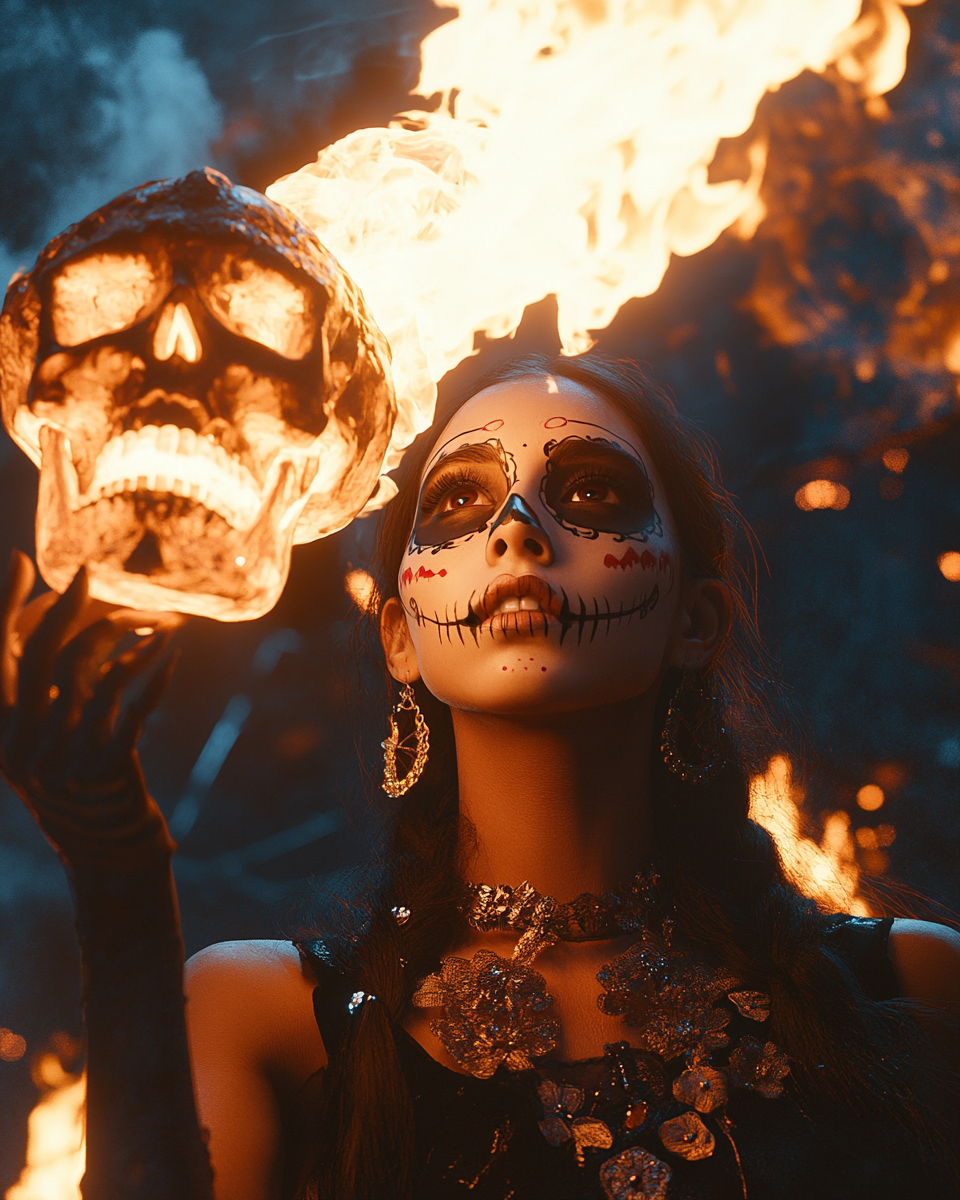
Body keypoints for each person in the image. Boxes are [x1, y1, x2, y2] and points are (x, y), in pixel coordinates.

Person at [1, 354, 957, 1200]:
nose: (515, 527)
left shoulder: (912, 990)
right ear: (399, 635)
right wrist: (117, 869)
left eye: (587, 491)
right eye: (457, 500)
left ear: (696, 620)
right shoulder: (264, 1019)